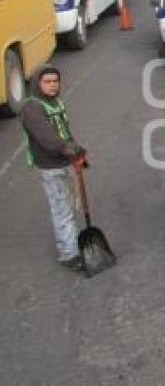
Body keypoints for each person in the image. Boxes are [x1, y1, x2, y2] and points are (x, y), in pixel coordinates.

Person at [20, 65, 87, 271]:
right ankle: (69, 254)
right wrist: (68, 150)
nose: (52, 85)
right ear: (38, 84)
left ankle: (73, 243)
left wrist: (78, 151)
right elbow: (47, 139)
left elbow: (64, 131)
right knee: (62, 210)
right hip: (51, 166)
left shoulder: (55, 103)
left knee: (71, 206)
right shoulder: (32, 107)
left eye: (55, 81)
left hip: (65, 161)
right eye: (47, 82)